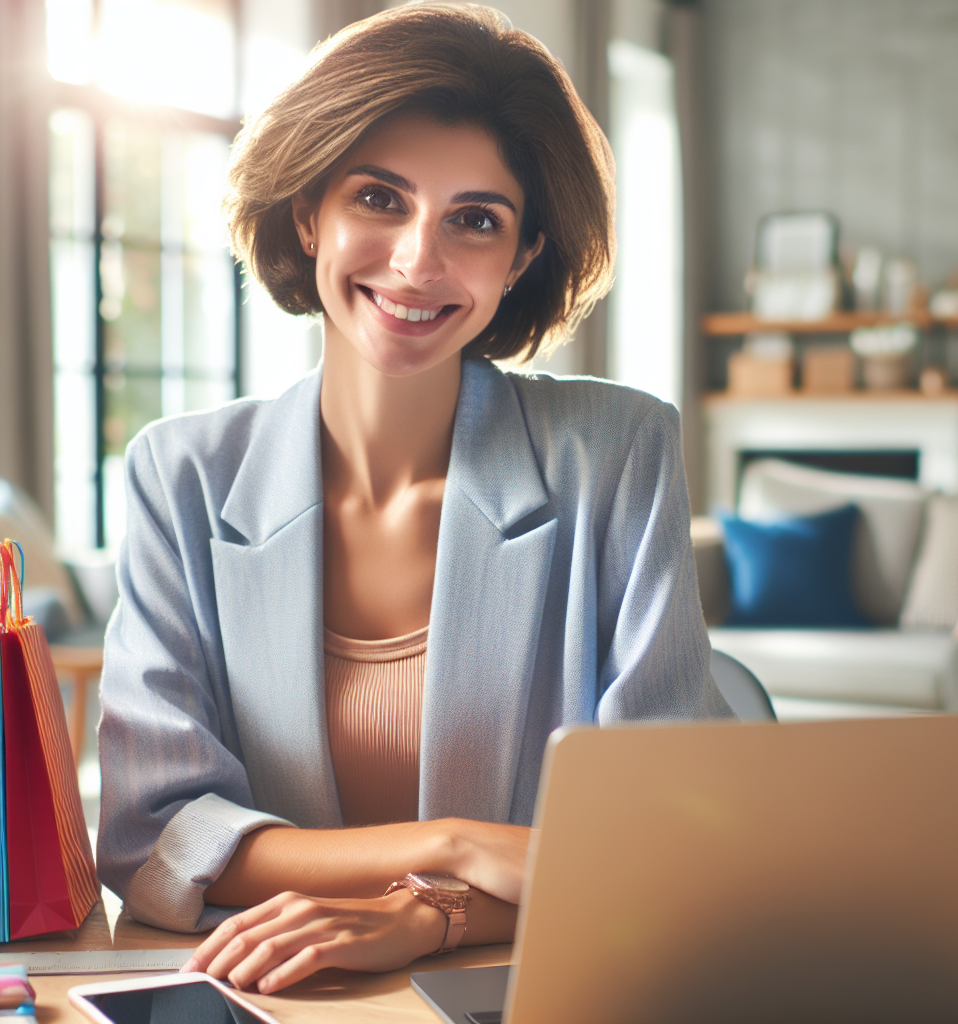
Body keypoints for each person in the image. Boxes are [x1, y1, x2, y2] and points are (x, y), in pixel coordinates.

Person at [96, 1, 732, 996]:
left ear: (521, 257)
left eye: (474, 220)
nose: (417, 260)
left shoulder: (616, 453)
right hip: (277, 996)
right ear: (309, 211)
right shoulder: (180, 474)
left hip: (543, 989)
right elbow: (156, 834)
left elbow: (670, 835)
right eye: (379, 199)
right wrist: (460, 844)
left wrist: (429, 911)